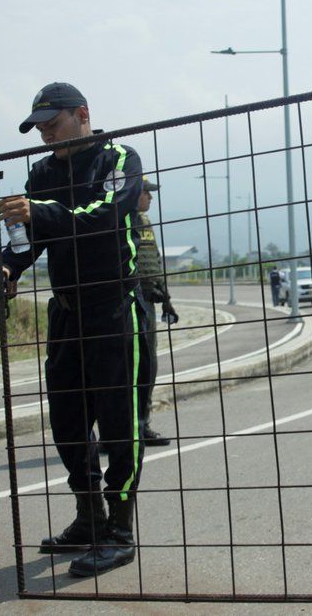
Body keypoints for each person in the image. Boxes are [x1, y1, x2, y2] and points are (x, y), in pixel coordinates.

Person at [0, 82, 148, 576]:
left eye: (52, 126)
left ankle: (120, 531)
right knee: (67, 422)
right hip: (66, 313)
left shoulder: (119, 158)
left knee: (121, 424)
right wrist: (5, 269)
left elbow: (103, 217)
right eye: (38, 128)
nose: (44, 137)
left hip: (115, 307)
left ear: (83, 114)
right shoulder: (42, 172)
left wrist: (40, 212)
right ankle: (90, 518)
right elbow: (30, 240)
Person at [136, 177, 178, 447]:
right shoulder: (121, 219)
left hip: (148, 301)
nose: (150, 198)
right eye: (146, 193)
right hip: (129, 300)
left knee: (148, 365)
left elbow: (153, 260)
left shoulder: (145, 222)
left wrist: (166, 298)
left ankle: (142, 425)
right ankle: (119, 430)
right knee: (130, 367)